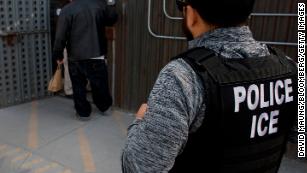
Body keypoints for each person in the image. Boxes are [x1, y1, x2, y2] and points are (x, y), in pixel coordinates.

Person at [122, 0, 299, 172]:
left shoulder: (182, 76)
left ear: (191, 14)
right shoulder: (289, 67)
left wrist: (139, 121)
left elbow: (140, 167)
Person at [53, 0, 117, 120]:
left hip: (75, 55)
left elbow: (60, 36)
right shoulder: (99, 5)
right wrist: (111, 4)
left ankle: (83, 113)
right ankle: (104, 107)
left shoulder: (67, 9)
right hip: (96, 52)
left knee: (78, 86)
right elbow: (112, 19)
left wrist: (58, 55)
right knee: (100, 83)